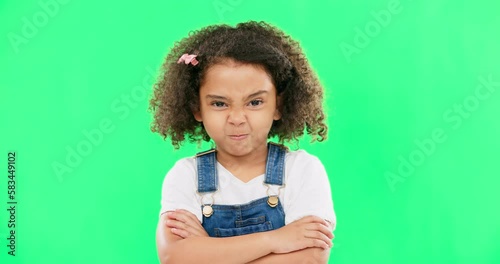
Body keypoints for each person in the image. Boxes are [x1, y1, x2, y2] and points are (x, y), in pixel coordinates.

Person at [149, 20, 336, 263]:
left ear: (278, 105)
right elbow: (173, 256)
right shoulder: (186, 176)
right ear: (197, 109)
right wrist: (276, 240)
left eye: (255, 102)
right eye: (219, 103)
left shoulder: (302, 170)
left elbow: (310, 258)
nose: (237, 118)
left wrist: (207, 249)